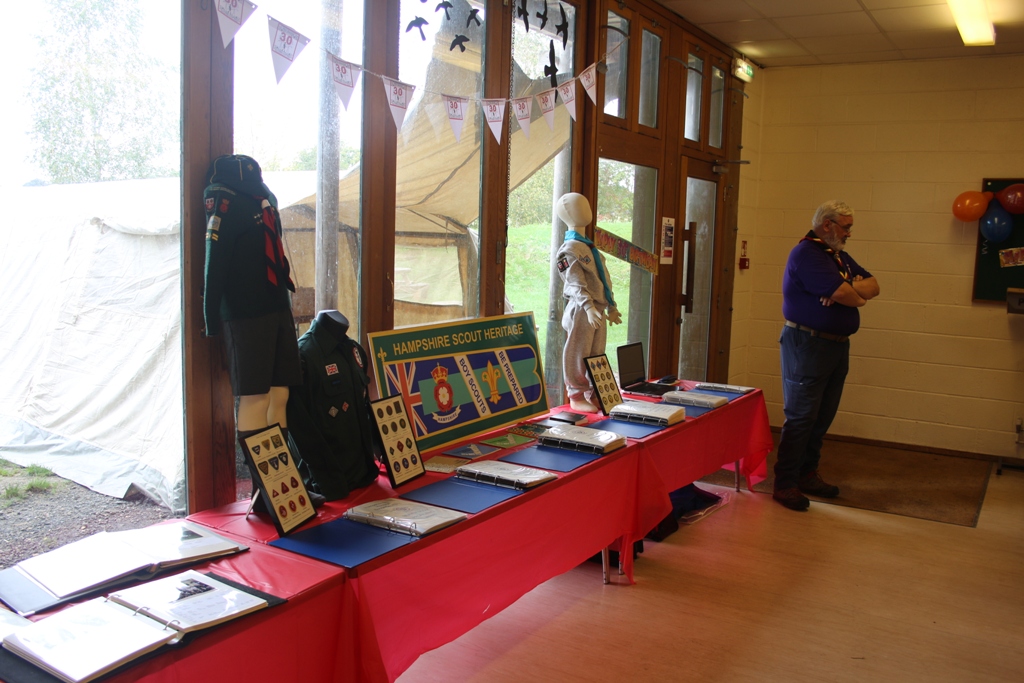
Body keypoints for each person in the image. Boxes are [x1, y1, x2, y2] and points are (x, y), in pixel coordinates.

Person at [202, 155, 321, 508]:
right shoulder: (222, 200)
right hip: (245, 313)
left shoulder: (263, 196)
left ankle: (284, 488)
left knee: (280, 395)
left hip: (277, 306)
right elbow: (213, 263)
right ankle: (267, 492)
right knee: (256, 399)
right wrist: (210, 319)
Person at [774, 200, 879, 511]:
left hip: (835, 345)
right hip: (808, 344)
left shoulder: (836, 255)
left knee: (822, 416)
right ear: (827, 225)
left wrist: (847, 289)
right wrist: (851, 292)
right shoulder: (807, 253)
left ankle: (807, 473)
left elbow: (874, 286)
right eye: (846, 227)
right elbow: (850, 296)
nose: (849, 233)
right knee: (802, 416)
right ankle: (785, 483)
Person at [286, 310, 380, 500]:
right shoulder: (302, 357)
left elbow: (363, 409)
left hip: (365, 476)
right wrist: (329, 484)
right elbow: (301, 431)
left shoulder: (354, 350)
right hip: (329, 485)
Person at [554, 193, 621, 413]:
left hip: (598, 307)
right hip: (583, 309)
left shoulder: (590, 247)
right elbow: (574, 282)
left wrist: (611, 306)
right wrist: (588, 307)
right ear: (566, 212)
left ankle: (596, 392)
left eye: (586, 205)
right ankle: (576, 393)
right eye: (579, 206)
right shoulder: (568, 250)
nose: (587, 210)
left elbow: (603, 279)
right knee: (578, 350)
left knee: (597, 352)